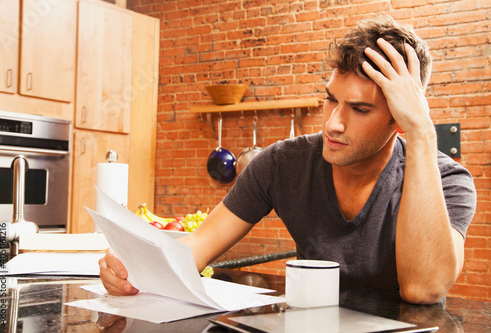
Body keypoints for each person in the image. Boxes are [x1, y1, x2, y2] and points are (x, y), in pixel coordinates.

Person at [99, 15, 476, 304]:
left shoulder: (448, 181)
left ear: (400, 120)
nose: (333, 124)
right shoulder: (282, 163)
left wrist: (424, 133)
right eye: (331, 99)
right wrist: (135, 263)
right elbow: (198, 246)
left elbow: (423, 289)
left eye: (359, 109)